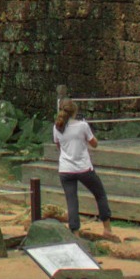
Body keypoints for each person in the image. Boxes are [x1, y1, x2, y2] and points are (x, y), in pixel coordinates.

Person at [50, 96, 113, 239]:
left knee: (71, 201)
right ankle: (107, 228)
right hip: (83, 168)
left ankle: (75, 233)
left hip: (65, 169)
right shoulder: (82, 126)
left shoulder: (56, 127)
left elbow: (59, 146)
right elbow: (94, 143)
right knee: (100, 194)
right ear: (74, 112)